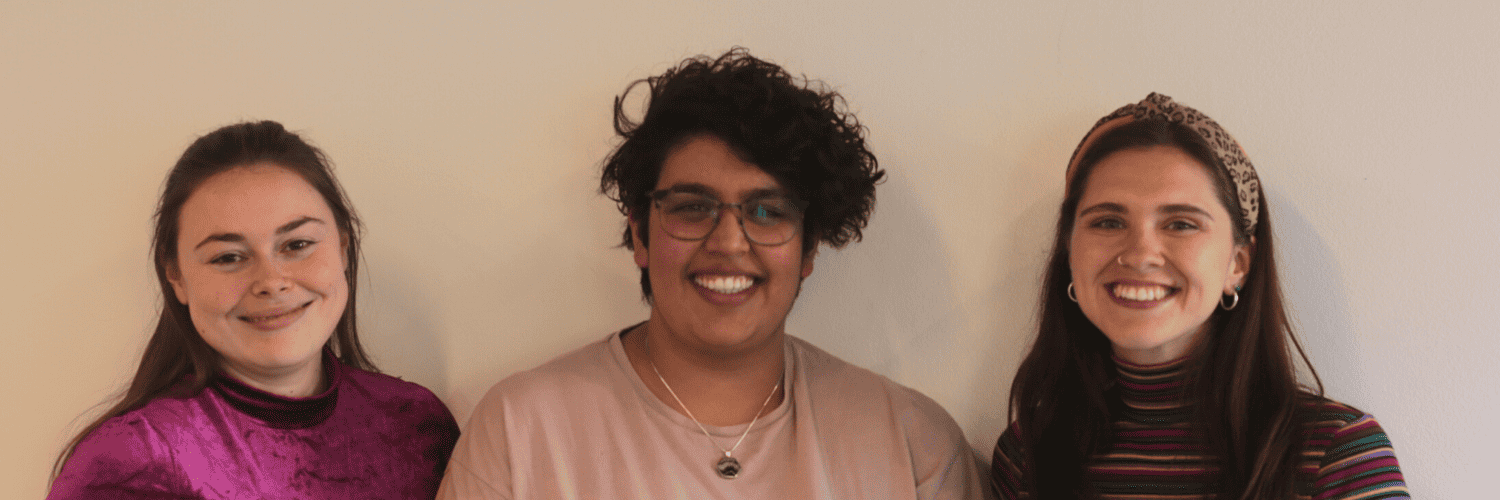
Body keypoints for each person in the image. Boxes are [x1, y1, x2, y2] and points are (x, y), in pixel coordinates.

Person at [438, 48, 984, 499]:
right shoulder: (520, 430)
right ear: (640, 233)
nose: (728, 243)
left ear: (809, 247)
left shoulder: (913, 444)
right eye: (692, 207)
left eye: (768, 211)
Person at [990, 93, 1409, 499]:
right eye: (1108, 221)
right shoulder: (1027, 455)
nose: (1139, 255)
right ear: (1068, 251)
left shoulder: (1337, 455)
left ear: (1238, 264)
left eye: (1181, 224)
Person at [47, 121, 459, 499]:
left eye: (297, 245)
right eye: (228, 257)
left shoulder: (418, 424)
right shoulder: (129, 464)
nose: (271, 281)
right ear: (176, 277)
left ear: (344, 248)